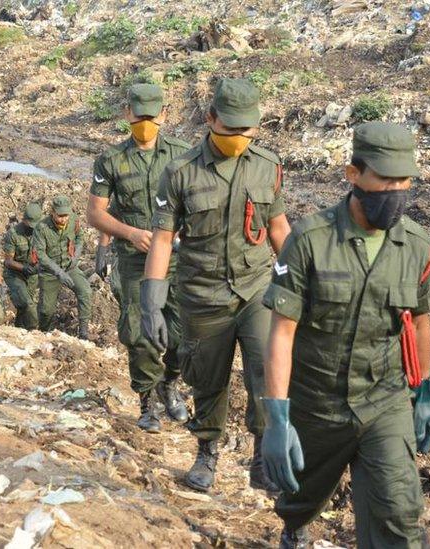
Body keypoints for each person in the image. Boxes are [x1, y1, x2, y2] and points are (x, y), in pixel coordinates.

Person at [260, 122, 430, 548]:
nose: (396, 190)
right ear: (353, 174)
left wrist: (425, 389)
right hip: (318, 401)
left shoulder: (417, 245)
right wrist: (278, 417)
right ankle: (295, 528)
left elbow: (419, 321)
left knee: (400, 514)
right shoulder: (309, 240)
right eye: (385, 179)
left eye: (404, 179)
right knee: (298, 498)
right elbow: (282, 333)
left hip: (384, 399)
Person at [143, 78, 292, 492]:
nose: (240, 139)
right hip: (203, 294)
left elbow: (279, 228)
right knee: (208, 379)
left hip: (257, 289)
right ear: (210, 119)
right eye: (231, 129)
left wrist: (301, 280)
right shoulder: (180, 172)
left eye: (248, 130)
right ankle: (207, 452)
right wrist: (152, 303)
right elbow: (161, 240)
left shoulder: (268, 166)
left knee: (266, 370)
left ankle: (263, 456)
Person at [88, 83, 192, 432]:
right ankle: (148, 400)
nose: (145, 122)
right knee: (140, 330)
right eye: (139, 115)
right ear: (127, 114)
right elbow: (95, 214)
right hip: (134, 260)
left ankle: (170, 382)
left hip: (178, 258)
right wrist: (130, 233)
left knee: (186, 331)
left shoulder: (183, 155)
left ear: (164, 114)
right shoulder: (111, 160)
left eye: (152, 115)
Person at [33, 195, 92, 340]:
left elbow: (80, 237)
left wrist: (77, 254)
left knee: (85, 291)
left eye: (66, 215)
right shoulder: (42, 228)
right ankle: (45, 334)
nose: (64, 219)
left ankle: (83, 331)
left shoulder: (73, 220)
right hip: (50, 272)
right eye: (60, 216)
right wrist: (58, 273)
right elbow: (40, 254)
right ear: (52, 212)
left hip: (69, 267)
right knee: (46, 311)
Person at [2, 203, 42, 330]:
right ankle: (35, 330)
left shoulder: (41, 232)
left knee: (23, 306)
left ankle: (19, 331)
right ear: (24, 220)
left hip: (32, 276)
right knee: (28, 304)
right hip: (15, 274)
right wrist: (24, 268)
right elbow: (8, 261)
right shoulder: (13, 234)